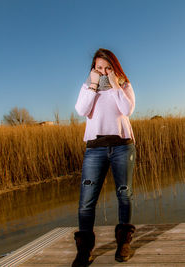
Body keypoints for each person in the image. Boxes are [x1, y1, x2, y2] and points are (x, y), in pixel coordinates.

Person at [72, 48, 136, 266]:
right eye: (99, 68)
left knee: (124, 195)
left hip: (121, 146)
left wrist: (115, 84)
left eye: (107, 67)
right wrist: (92, 86)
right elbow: (81, 110)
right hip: (95, 148)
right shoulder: (87, 88)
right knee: (86, 202)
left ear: (114, 67)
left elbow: (126, 109)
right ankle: (84, 250)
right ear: (93, 69)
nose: (103, 71)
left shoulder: (124, 85)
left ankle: (123, 243)